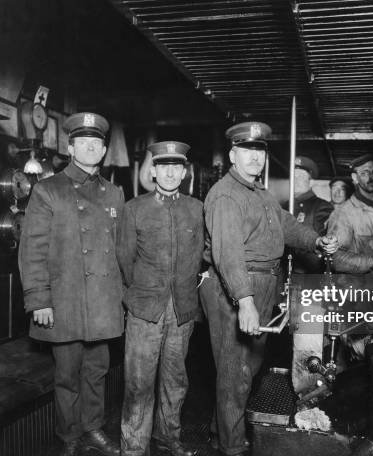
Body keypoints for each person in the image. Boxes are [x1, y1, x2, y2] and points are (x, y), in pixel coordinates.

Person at [199, 121, 338, 456]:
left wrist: (315, 241)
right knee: (234, 373)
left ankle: (222, 433)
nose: (255, 158)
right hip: (234, 288)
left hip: (262, 286)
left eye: (259, 151)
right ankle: (231, 447)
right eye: (247, 150)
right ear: (233, 154)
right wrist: (244, 302)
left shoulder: (260, 194)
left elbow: (287, 226)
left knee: (250, 367)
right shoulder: (225, 195)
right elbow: (228, 253)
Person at [19, 112, 123, 456]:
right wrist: (39, 300)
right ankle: (68, 437)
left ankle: (93, 428)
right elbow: (32, 250)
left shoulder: (113, 194)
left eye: (98, 143)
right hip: (65, 301)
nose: (92, 148)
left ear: (104, 149)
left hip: (103, 301)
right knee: (66, 375)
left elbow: (122, 251)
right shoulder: (48, 190)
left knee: (97, 371)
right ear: (70, 147)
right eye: (84, 143)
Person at [118, 141, 204, 456]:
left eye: (176, 167)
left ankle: (168, 437)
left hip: (182, 308)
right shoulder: (134, 208)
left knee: (176, 380)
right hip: (144, 309)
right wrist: (138, 294)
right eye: (163, 166)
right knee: (139, 383)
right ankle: (134, 446)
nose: (169, 172)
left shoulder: (196, 209)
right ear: (153, 171)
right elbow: (124, 260)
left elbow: (200, 257)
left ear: (184, 172)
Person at [289, 156, 334, 273]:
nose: (295, 180)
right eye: (293, 176)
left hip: (307, 273)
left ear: (311, 181)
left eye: (301, 176)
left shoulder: (322, 206)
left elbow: (323, 242)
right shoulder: (283, 205)